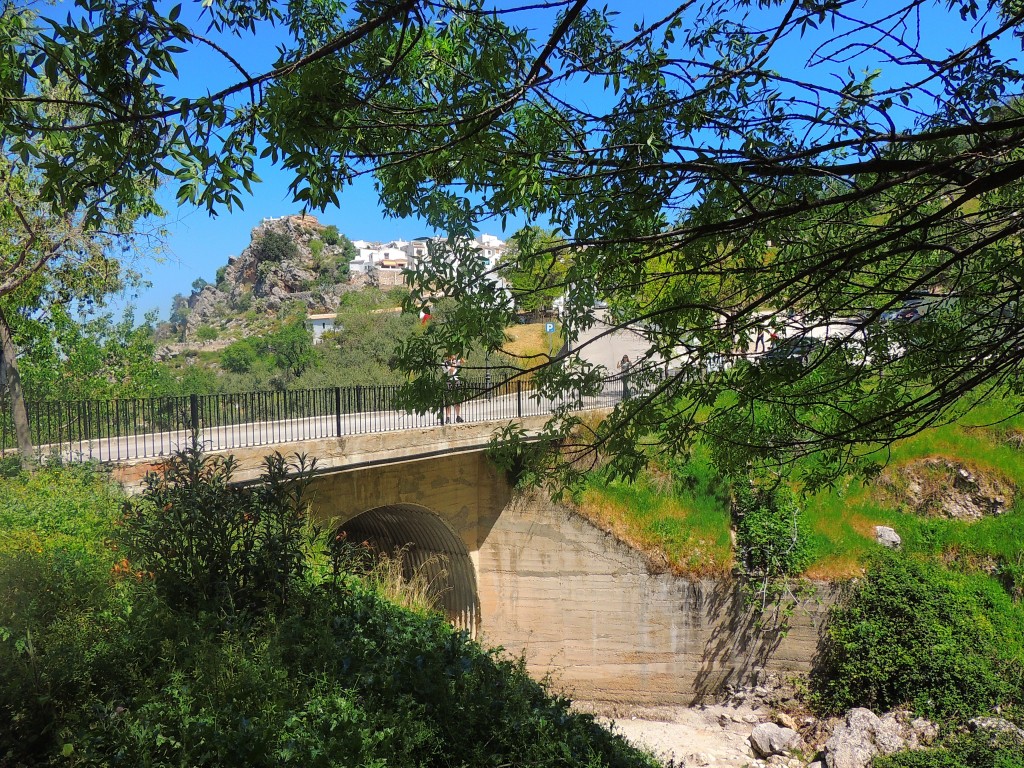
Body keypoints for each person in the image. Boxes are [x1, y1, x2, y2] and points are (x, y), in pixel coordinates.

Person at [443, 353, 465, 423]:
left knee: (457, 399)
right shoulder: (445, 363)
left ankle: (458, 416)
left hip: (456, 380)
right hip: (449, 381)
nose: (454, 356)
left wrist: (460, 359)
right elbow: (451, 370)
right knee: (448, 400)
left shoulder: (455, 361)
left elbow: (463, 361)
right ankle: (448, 417)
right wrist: (455, 363)